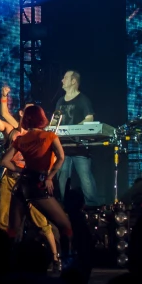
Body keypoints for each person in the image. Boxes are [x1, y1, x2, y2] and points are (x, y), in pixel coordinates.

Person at [0, 87, 60, 270]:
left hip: (30, 181)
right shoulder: (12, 129)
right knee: (3, 218)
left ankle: (55, 257)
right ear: (23, 114)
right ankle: (3, 258)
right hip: (11, 179)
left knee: (41, 220)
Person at [0, 105, 73, 255]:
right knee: (65, 226)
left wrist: (23, 170)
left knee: (12, 230)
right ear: (42, 118)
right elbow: (61, 158)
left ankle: (6, 264)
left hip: (22, 185)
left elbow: (4, 162)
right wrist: (50, 177)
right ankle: (65, 262)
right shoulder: (50, 136)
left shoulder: (21, 139)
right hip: (38, 183)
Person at [55, 70, 99, 206]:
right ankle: (62, 206)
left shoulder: (83, 99)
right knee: (62, 178)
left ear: (73, 81)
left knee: (85, 177)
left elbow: (89, 119)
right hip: (63, 148)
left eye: (65, 78)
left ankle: (92, 206)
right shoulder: (60, 100)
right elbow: (55, 121)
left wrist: (72, 129)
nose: (62, 80)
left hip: (80, 147)